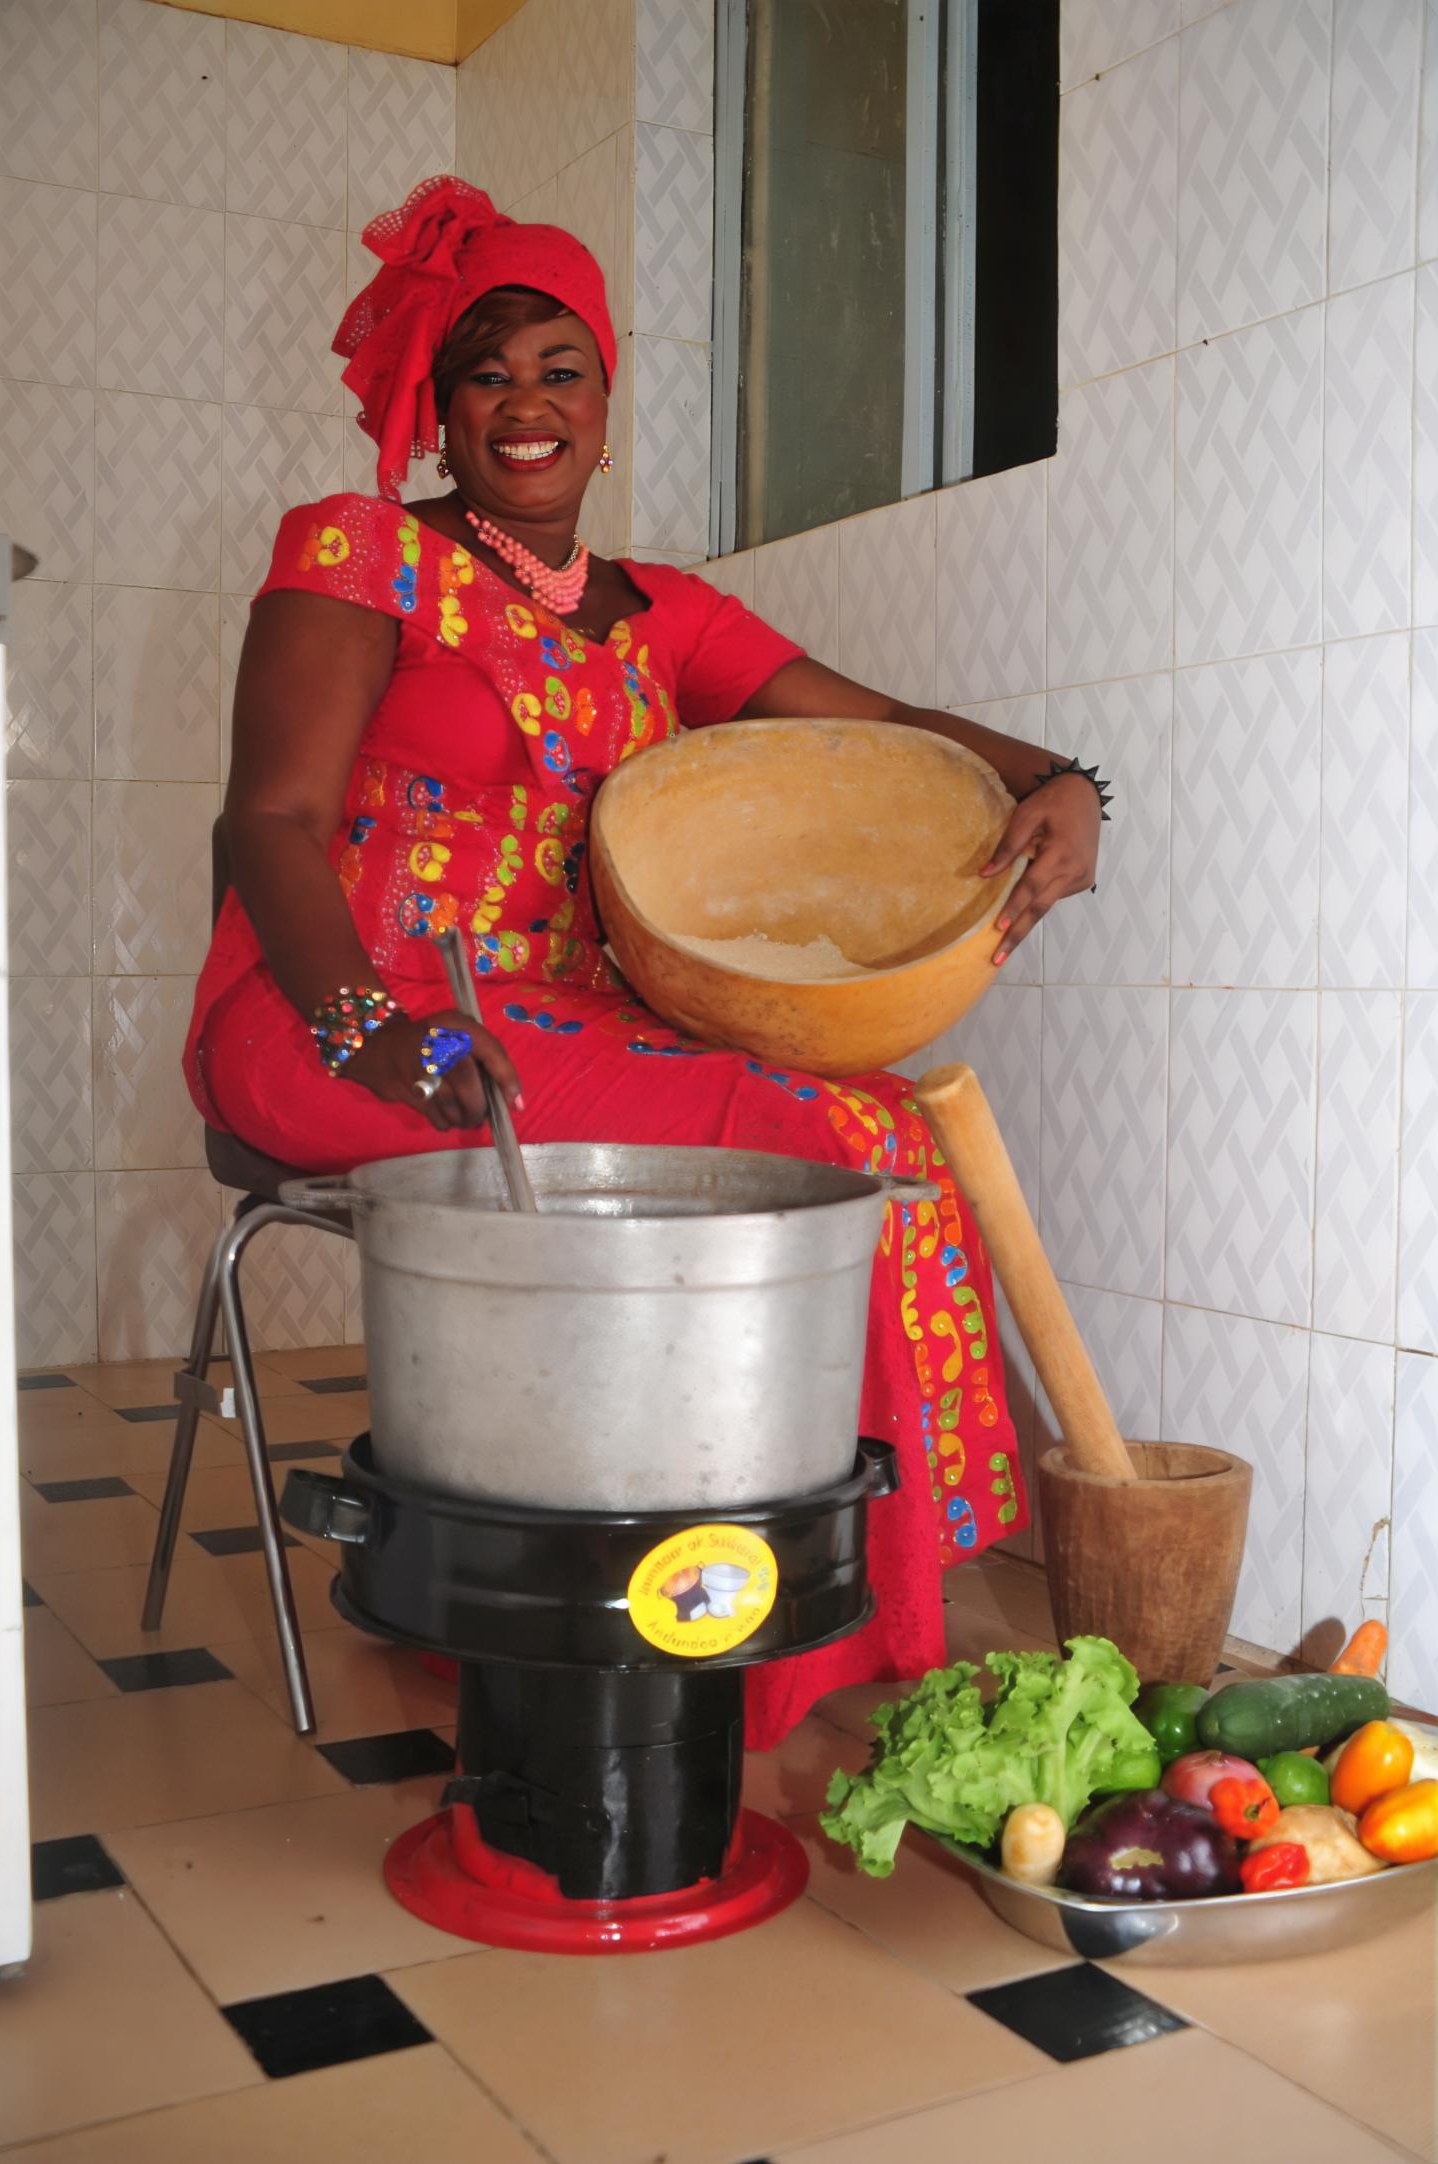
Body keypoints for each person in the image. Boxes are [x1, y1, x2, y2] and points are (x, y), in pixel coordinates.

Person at [184, 177, 1104, 1751]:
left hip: (552, 1022)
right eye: (488, 372)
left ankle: (816, 1611)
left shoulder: (662, 615)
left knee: (882, 1119)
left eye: (562, 368)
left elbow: (878, 732)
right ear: (441, 407)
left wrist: (1063, 782)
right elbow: (267, 819)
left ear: (606, 403)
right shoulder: (355, 551)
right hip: (342, 1010)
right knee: (814, 1137)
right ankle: (781, 1660)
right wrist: (365, 1034)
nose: (526, 405)